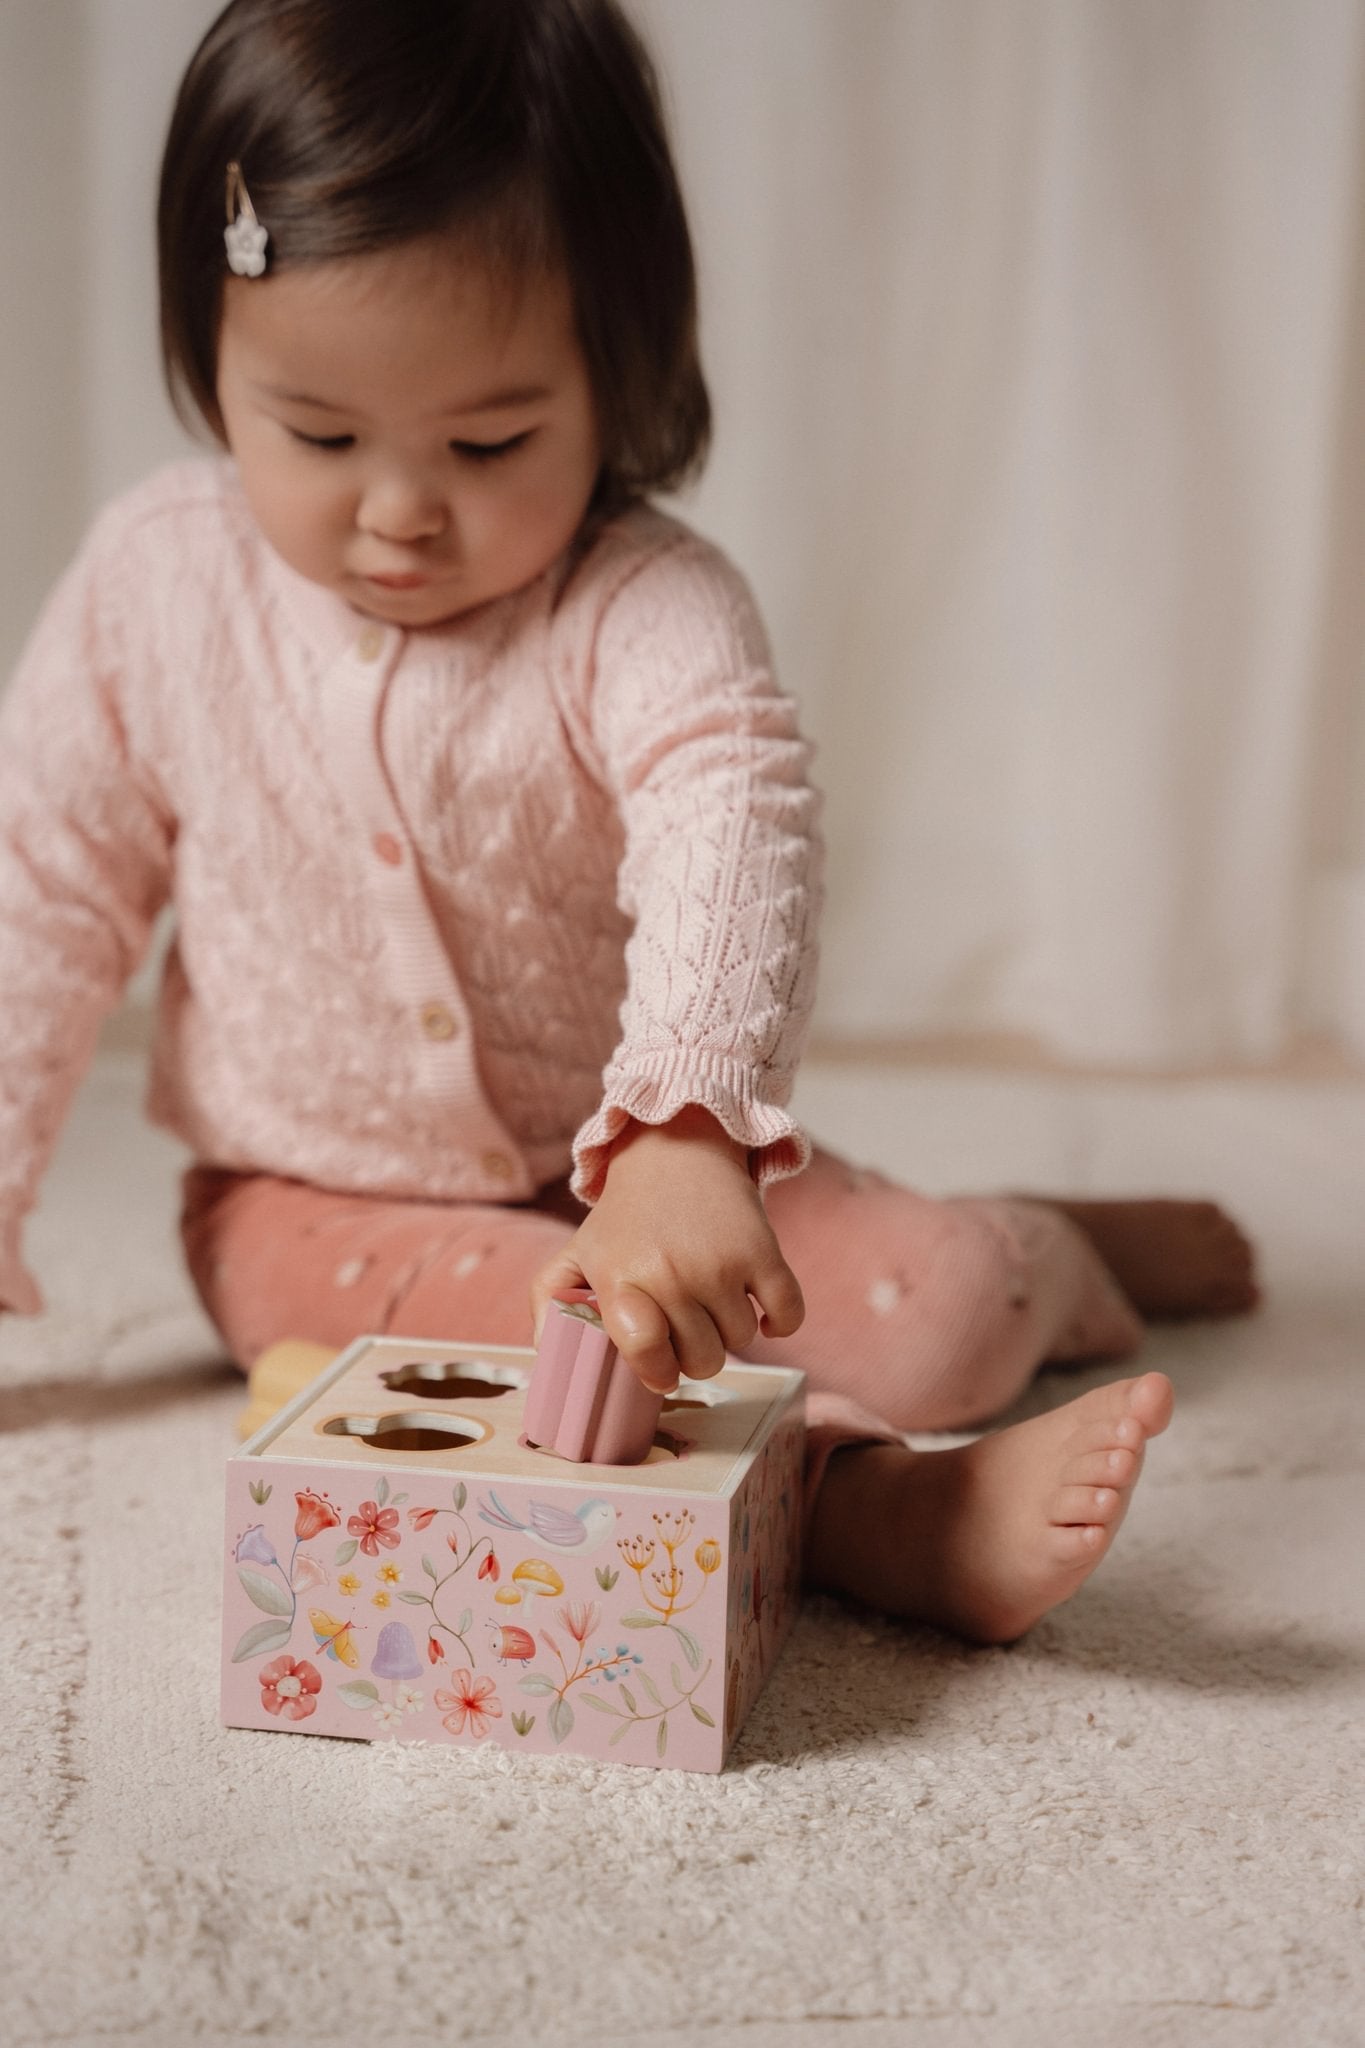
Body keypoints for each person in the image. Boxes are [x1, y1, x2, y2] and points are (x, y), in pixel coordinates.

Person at [0, 0, 1256, 1646]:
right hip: (309, 1204)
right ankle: (870, 1509)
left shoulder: (643, 604)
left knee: (937, 1316)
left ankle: (1048, 1245)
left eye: (489, 440)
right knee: (498, 1375)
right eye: (317, 434)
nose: (398, 510)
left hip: (656, 1164)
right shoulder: (155, 589)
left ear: (618, 373)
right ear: (208, 354)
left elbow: (732, 828)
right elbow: (40, 886)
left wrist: (681, 1137)